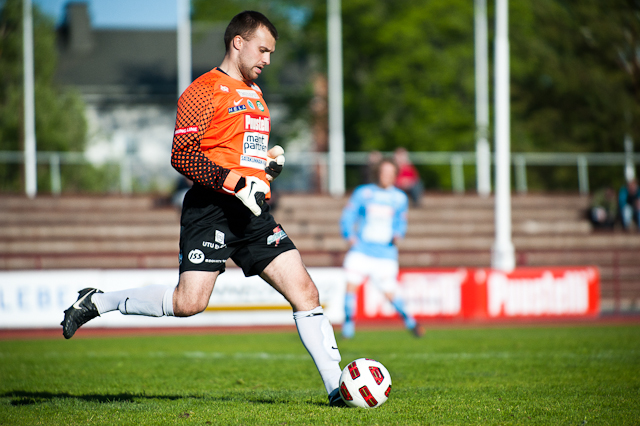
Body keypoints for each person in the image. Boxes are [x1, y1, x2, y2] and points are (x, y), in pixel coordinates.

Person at [61, 11, 346, 407]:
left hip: (252, 213)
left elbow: (239, 157)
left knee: (306, 292)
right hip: (210, 210)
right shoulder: (203, 90)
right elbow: (183, 156)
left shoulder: (257, 95)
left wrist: (266, 167)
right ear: (238, 42)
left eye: (271, 53)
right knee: (189, 303)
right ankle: (96, 301)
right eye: (262, 50)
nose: (267, 59)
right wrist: (235, 182)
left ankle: (337, 389)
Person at [340, 158, 424, 339]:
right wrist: (349, 236)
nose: (386, 176)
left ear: (395, 175)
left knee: (390, 293)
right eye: (383, 172)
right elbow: (349, 215)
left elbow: (401, 221)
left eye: (390, 173)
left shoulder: (400, 198)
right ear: (378, 173)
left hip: (385, 253)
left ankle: (410, 322)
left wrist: (398, 234)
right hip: (361, 250)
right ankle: (348, 325)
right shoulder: (364, 193)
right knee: (350, 286)